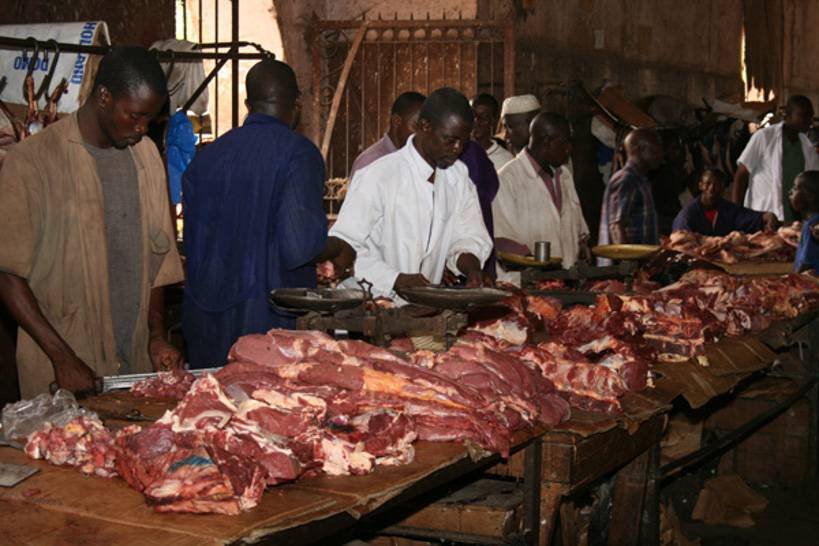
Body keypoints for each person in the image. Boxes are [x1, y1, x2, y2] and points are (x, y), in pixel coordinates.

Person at [0, 47, 184, 397]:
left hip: (133, 363)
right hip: (61, 368)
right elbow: (8, 274)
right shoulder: (33, 162)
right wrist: (62, 357)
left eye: (151, 120)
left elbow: (159, 263)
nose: (142, 128)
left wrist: (157, 336)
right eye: (134, 115)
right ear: (103, 97)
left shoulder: (145, 156)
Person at [182, 59, 354, 368]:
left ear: (249, 104)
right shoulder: (298, 154)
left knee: (211, 409)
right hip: (268, 327)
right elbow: (301, 245)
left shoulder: (206, 158)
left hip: (206, 322)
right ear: (297, 104)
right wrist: (339, 247)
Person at [330, 87, 493, 299]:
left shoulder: (457, 176)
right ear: (424, 127)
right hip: (371, 304)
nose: (457, 148)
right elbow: (345, 246)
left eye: (463, 141)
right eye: (450, 140)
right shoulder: (379, 175)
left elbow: (468, 235)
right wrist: (395, 279)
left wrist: (472, 270)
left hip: (424, 310)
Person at [493, 113, 590, 270]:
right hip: (528, 284)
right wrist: (541, 270)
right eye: (564, 143)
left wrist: (582, 249)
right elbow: (503, 240)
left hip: (567, 281)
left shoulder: (565, 175)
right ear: (546, 142)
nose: (569, 149)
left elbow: (579, 230)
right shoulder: (507, 179)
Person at [732, 95, 819, 222]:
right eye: (803, 116)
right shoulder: (764, 137)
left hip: (794, 221)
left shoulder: (806, 145)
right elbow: (741, 175)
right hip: (763, 215)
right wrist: (737, 214)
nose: (808, 121)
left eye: (810, 116)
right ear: (787, 115)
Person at [599, 128, 664, 247]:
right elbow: (615, 227)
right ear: (640, 150)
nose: (660, 156)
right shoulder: (626, 180)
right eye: (655, 151)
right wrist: (629, 262)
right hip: (627, 263)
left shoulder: (641, 180)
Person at [672, 169, 778, 235]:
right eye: (708, 184)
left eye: (717, 185)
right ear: (700, 185)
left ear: (724, 188)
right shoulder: (687, 215)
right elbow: (680, 242)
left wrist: (767, 216)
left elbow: (747, 217)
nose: (712, 188)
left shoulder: (728, 209)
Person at [349, 91, 426, 178]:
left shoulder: (415, 159)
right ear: (397, 121)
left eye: (426, 128)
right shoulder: (370, 162)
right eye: (417, 127)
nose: (423, 135)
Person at [471, 93, 514, 170]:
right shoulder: (457, 154)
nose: (476, 121)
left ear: (493, 120)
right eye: (472, 115)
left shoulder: (506, 161)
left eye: (483, 117)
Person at [790, 171, 819, 273]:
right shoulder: (809, 222)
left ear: (809, 196)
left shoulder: (812, 225)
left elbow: (806, 264)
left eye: (795, 188)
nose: (790, 192)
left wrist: (792, 280)